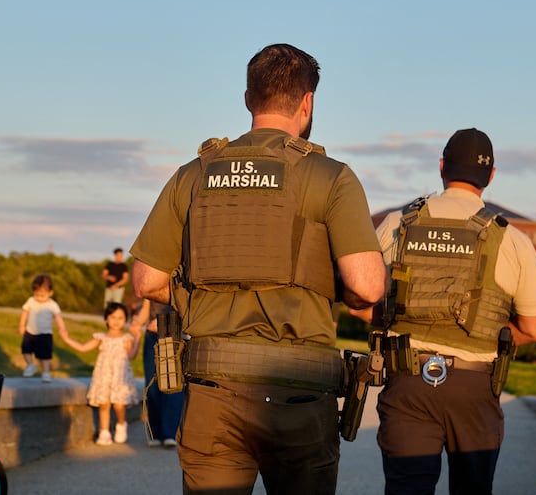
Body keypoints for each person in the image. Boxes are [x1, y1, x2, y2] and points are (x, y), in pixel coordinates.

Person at [131, 43, 385, 494]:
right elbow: (366, 287)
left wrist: (200, 294)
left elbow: (147, 281)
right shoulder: (331, 176)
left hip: (214, 392)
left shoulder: (194, 173)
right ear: (307, 102)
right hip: (300, 397)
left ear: (248, 99)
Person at [372, 128, 536, 495]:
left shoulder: (397, 224)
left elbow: (360, 298)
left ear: (441, 167)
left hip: (407, 381)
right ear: (491, 176)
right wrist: (491, 332)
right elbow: (535, 329)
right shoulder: (513, 240)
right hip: (474, 389)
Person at [62, 302, 141, 445]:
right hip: (104, 376)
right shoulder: (101, 337)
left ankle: (121, 425)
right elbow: (83, 348)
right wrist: (67, 339)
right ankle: (104, 432)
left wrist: (137, 339)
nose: (116, 321)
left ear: (125, 320)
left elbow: (131, 356)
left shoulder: (126, 338)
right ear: (106, 319)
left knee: (118, 404)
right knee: (103, 404)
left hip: (120, 376)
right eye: (113, 317)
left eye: (120, 318)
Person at [130, 298, 183, 448]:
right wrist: (137, 323)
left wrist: (165, 322)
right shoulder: (152, 279)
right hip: (152, 336)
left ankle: (169, 434)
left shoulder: (181, 278)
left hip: (172, 333)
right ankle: (154, 432)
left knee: (171, 386)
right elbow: (147, 308)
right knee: (152, 386)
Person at [18, 273, 69, 383]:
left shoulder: (52, 305)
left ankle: (46, 372)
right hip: (30, 332)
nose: (39, 298)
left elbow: (58, 317)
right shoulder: (31, 301)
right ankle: (31, 365)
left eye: (42, 295)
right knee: (25, 350)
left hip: (45, 334)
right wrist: (22, 325)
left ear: (50, 293)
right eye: (37, 295)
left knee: (45, 356)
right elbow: (25, 312)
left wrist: (62, 328)